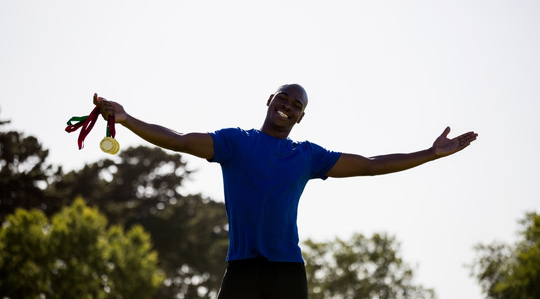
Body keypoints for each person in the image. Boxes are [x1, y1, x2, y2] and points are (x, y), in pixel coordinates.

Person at [93, 84, 477, 299]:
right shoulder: (234, 143)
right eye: (283, 99)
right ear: (269, 100)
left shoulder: (307, 156)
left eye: (297, 105)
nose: (287, 107)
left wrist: (430, 153)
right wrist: (126, 119)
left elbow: (372, 165)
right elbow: (178, 140)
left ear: (301, 116)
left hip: (287, 274)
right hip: (241, 270)